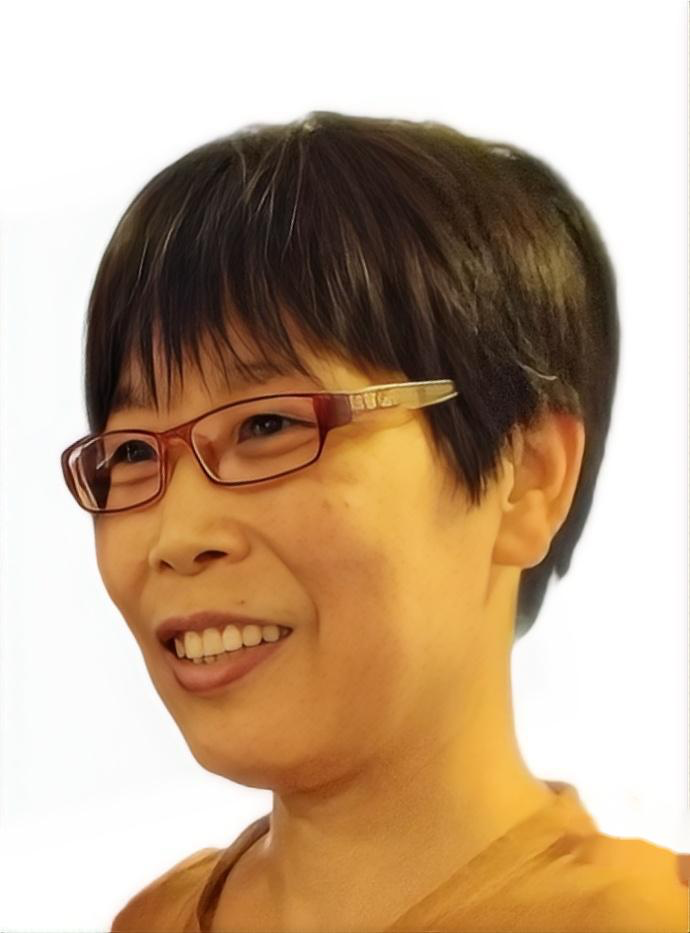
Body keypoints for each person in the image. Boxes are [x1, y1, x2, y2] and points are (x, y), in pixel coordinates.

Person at [60, 111, 688, 932]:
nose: (178, 537)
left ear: (527, 477)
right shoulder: (154, 919)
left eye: (267, 425)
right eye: (134, 452)